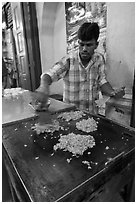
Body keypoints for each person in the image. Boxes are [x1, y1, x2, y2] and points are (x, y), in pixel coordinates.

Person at [34, 22, 125, 114]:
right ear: (78, 43)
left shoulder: (99, 59)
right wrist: (44, 86)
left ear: (96, 45)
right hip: (70, 114)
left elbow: (101, 80)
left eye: (89, 45)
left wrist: (112, 92)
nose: (84, 49)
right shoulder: (69, 60)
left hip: (91, 113)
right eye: (81, 45)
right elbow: (51, 73)